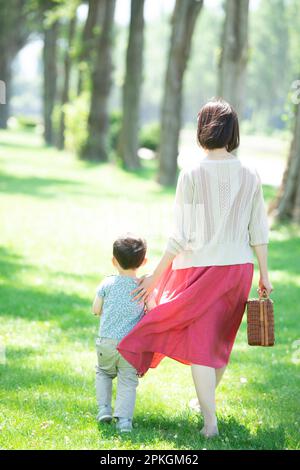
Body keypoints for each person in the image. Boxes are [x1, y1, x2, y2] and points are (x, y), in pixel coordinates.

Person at [117, 98, 274, 438]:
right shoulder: (250, 174)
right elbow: (258, 228)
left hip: (201, 269)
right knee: (218, 344)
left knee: (205, 346)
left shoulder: (192, 173)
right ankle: (208, 410)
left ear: (203, 129)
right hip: (239, 271)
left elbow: (181, 236)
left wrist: (155, 277)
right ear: (232, 132)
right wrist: (264, 273)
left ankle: (210, 423)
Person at [92, 234, 156, 433]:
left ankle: (104, 409)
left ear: (114, 261)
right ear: (143, 262)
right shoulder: (143, 288)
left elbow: (96, 309)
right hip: (130, 347)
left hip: (106, 343)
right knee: (127, 381)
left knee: (103, 373)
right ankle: (124, 422)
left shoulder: (106, 284)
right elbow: (153, 311)